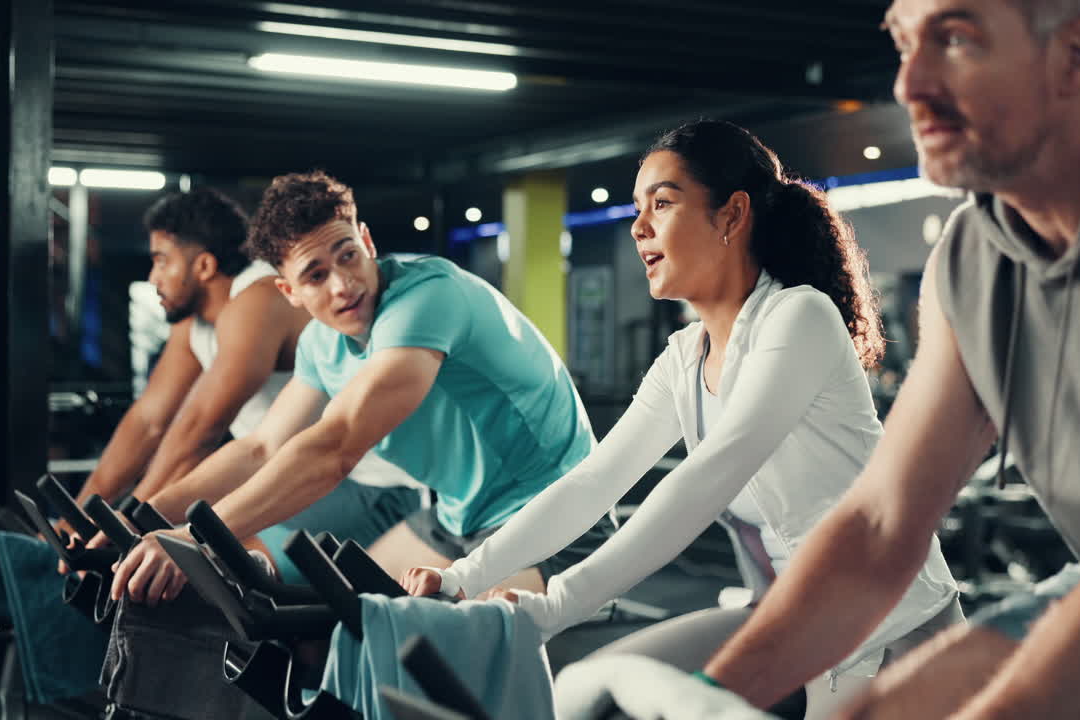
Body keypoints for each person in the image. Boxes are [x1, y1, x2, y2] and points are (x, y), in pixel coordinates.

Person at [695, 2, 1080, 718]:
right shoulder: (974, 254)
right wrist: (706, 699)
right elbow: (882, 528)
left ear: (1074, 57)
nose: (909, 85)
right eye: (903, 41)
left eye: (955, 38)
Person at [404, 120, 961, 715]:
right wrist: (464, 575)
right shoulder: (684, 357)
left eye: (662, 203)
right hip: (785, 617)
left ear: (731, 215)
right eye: (636, 209)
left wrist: (555, 605)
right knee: (595, 690)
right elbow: (594, 483)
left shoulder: (799, 318)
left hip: (887, 626)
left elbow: (705, 480)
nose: (639, 227)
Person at [109, 170, 604, 605]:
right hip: (460, 520)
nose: (343, 285)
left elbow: (336, 447)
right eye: (316, 275)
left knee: (442, 652)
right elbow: (260, 448)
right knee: (333, 623)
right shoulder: (322, 344)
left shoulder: (427, 297)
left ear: (366, 242)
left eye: (347, 256)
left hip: (556, 516)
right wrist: (142, 516)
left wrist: (198, 538)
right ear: (290, 291)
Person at [64, 189, 420, 585]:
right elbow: (150, 420)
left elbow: (197, 432)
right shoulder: (195, 321)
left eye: (162, 260)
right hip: (295, 475)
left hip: (372, 485)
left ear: (203, 265)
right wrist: (82, 520)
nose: (153, 277)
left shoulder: (258, 301)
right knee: (196, 554)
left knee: (219, 567)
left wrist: (137, 522)